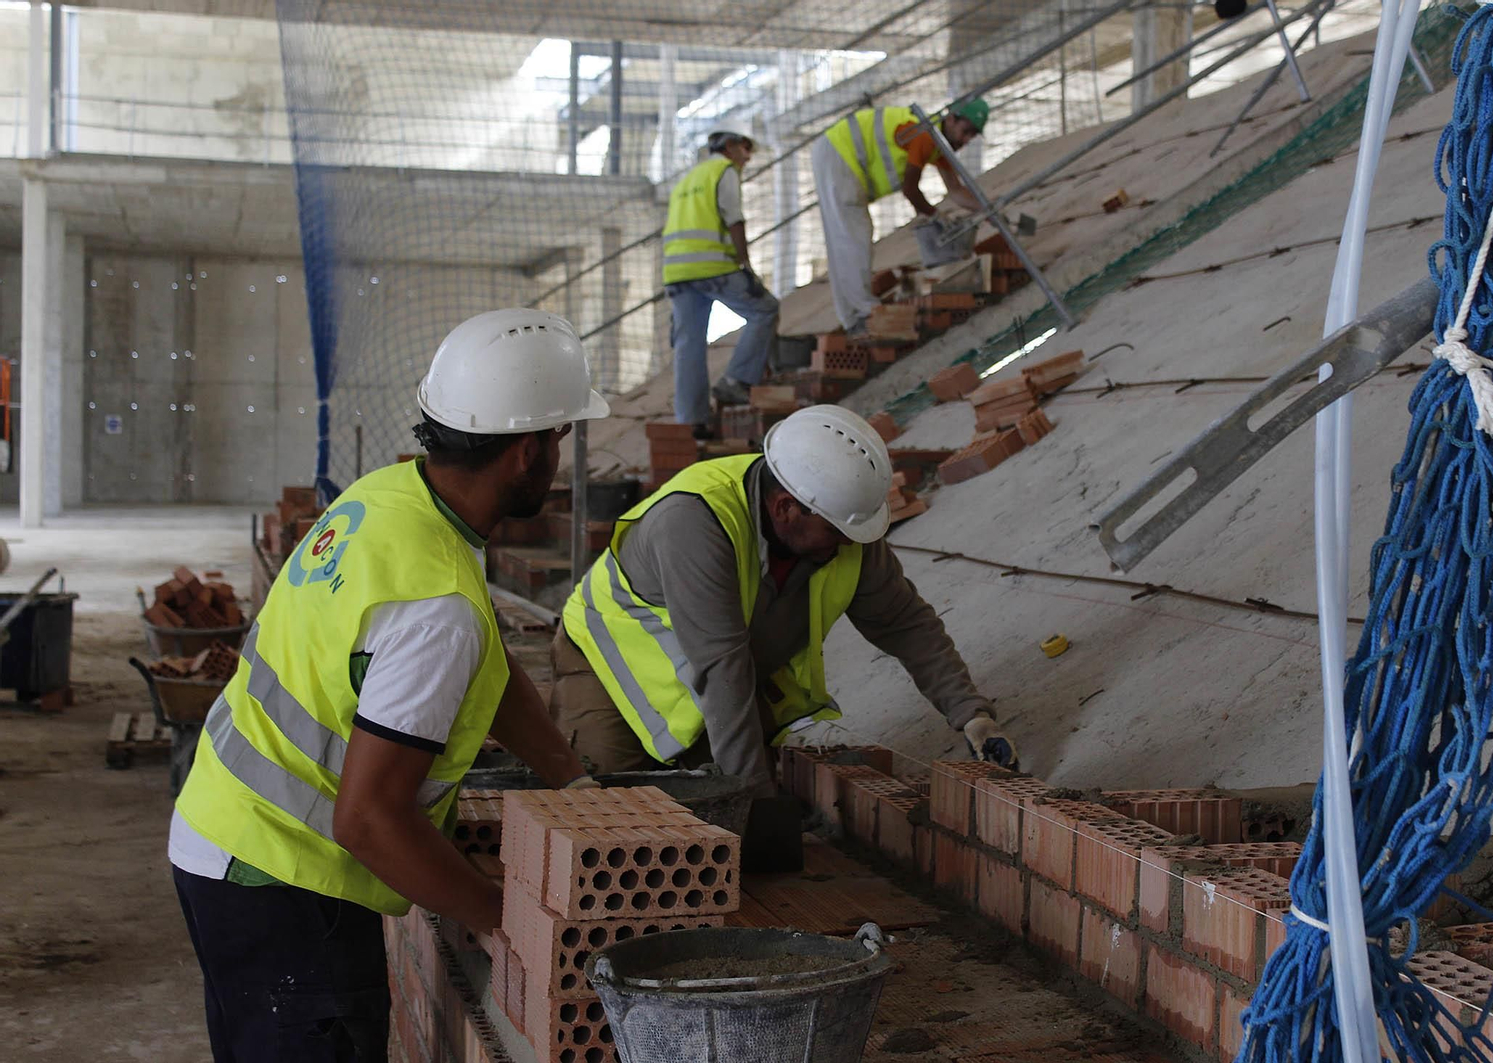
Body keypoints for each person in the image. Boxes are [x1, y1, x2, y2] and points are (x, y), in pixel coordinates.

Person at [167, 308, 609, 1062]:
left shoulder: (393, 499)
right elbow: (369, 821)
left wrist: (574, 781)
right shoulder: (438, 607)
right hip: (281, 883)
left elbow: (489, 673)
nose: (560, 459)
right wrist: (503, 919)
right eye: (561, 439)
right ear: (529, 450)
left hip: (219, 834)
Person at [547, 404, 1019, 811]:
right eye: (837, 532)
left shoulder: (843, 528)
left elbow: (904, 622)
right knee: (613, 808)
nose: (849, 545)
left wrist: (972, 714)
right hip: (609, 667)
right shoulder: (694, 522)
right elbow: (722, 669)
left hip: (713, 679)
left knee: (697, 808)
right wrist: (755, 802)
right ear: (786, 508)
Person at [810, 100, 990, 337]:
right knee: (855, 237)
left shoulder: (936, 144)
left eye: (973, 136)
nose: (966, 140)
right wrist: (936, 216)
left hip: (833, 151)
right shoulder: (923, 135)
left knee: (845, 239)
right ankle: (865, 315)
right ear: (951, 119)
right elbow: (910, 190)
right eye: (966, 132)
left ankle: (852, 318)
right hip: (840, 154)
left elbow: (956, 190)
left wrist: (987, 209)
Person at [663, 125, 781, 436]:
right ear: (728, 146)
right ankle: (736, 380)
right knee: (765, 309)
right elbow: (734, 219)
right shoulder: (724, 171)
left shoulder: (686, 180)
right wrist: (746, 266)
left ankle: (692, 422)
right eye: (745, 150)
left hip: (677, 272)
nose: (748, 158)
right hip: (713, 265)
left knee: (688, 345)